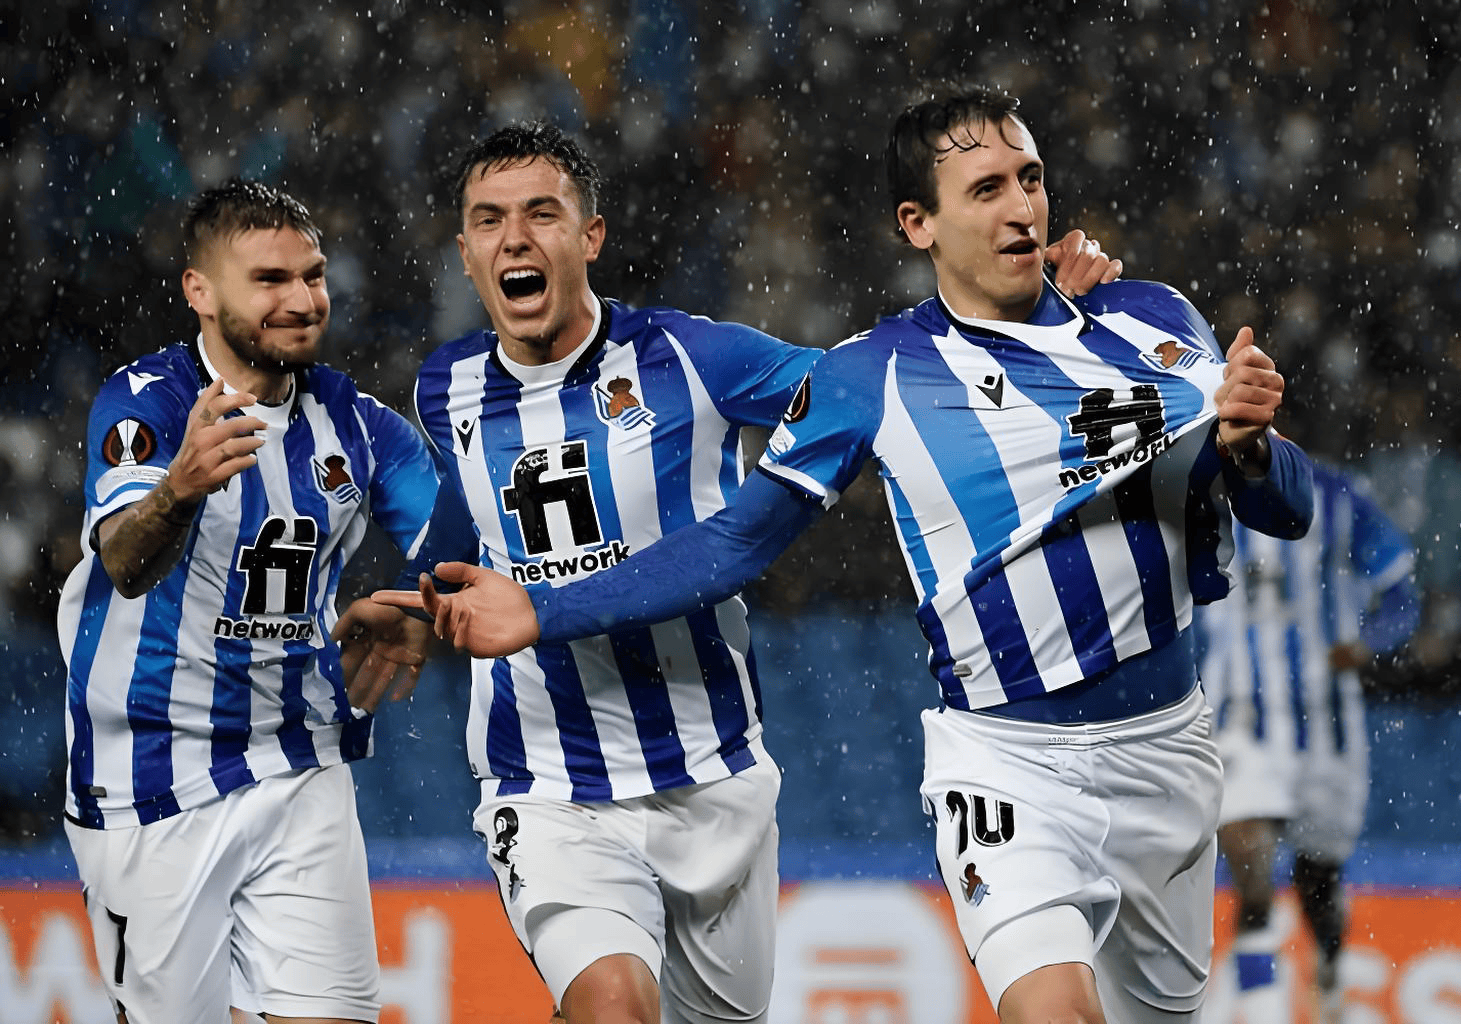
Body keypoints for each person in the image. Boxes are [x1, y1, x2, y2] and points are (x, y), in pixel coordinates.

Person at [375, 88, 1316, 1024]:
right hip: (1003, 765)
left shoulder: (1147, 316)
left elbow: (1286, 506)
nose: (1021, 206)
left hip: (1160, 752)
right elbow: (731, 537)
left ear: (590, 236)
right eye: (986, 188)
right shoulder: (872, 375)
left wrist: (1250, 450)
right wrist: (458, 601)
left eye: (1028, 180)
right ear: (918, 223)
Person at [56, 178, 438, 1024]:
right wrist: (178, 490)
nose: (301, 300)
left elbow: (467, 556)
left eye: (313, 276)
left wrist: (421, 604)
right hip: (153, 771)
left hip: (298, 757)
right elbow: (123, 563)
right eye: (270, 279)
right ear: (199, 291)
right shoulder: (146, 403)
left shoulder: (360, 425)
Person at [1197, 461, 1419, 1024]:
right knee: (1251, 868)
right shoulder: (1203, 497)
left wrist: (1367, 643)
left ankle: (1329, 971)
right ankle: (1263, 1011)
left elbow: (1401, 594)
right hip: (1242, 716)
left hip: (1327, 725)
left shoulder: (1340, 497)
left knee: (1317, 879)